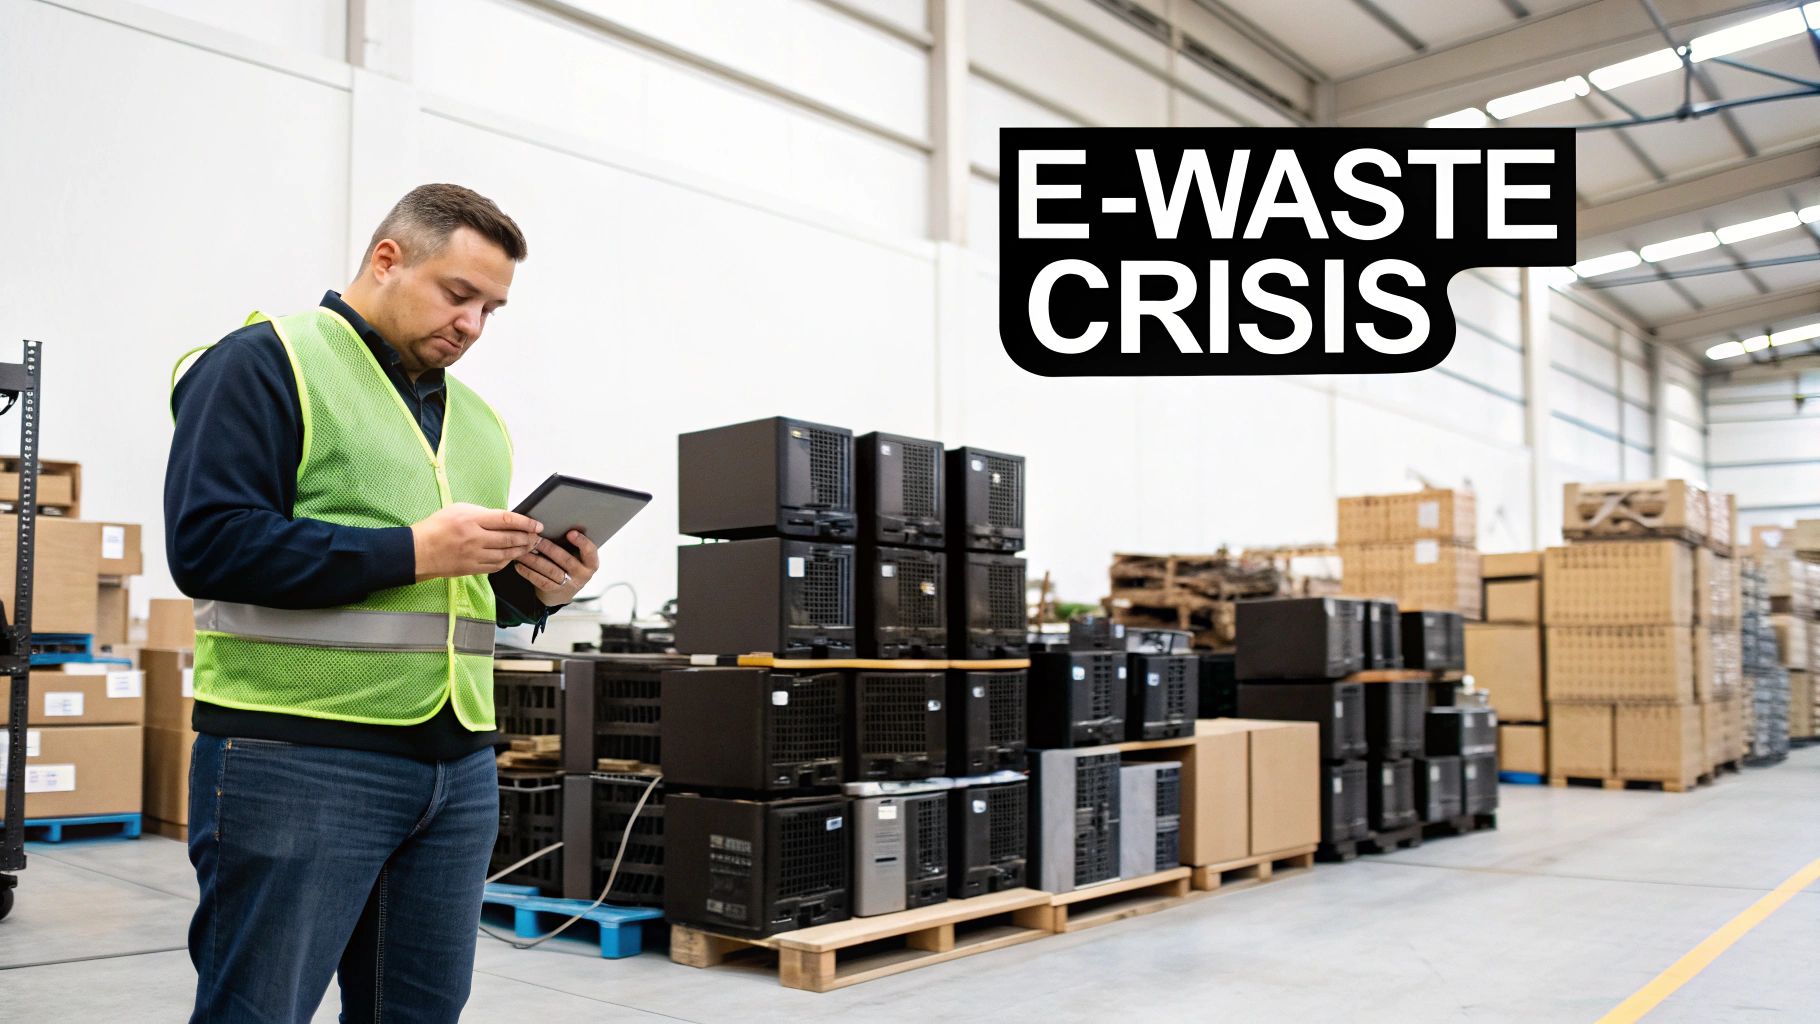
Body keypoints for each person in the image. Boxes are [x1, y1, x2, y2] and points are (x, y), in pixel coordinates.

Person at [164, 183, 596, 1022]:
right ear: (387, 260)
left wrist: (530, 589)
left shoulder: (478, 421)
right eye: (458, 294)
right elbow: (209, 545)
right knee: (260, 1010)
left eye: (491, 309)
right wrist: (415, 549)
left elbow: (456, 594)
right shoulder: (264, 363)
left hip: (457, 770)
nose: (473, 324)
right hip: (298, 754)